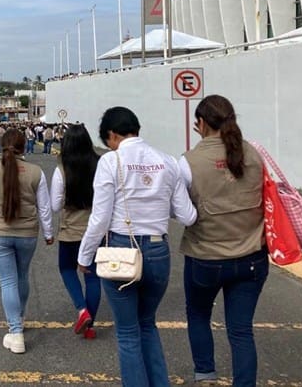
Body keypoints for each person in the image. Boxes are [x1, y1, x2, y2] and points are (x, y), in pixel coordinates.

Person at [78, 106, 197, 386]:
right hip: (158, 251)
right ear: (137, 129)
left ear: (111, 135)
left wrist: (85, 256)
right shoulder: (168, 162)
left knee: (128, 332)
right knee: (147, 324)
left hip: (121, 249)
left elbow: (100, 219)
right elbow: (188, 216)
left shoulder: (110, 162)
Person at [178, 95, 267, 386]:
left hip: (205, 257)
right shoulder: (254, 154)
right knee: (241, 331)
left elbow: (184, 214)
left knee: (199, 315)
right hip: (252, 256)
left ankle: (206, 376)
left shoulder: (188, 161)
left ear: (200, 123)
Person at [0, 128, 54, 354]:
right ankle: (20, 316)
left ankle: (15, 332)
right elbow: (44, 208)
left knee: (8, 281)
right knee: (21, 276)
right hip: (27, 233)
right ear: (23, 145)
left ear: (0, 145)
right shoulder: (36, 172)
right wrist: (48, 234)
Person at [50, 124, 102, 340]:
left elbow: (54, 204)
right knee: (92, 276)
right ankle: (90, 325)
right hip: (96, 229)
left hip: (71, 230)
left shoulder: (62, 169)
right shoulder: (100, 164)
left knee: (67, 268)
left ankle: (82, 310)